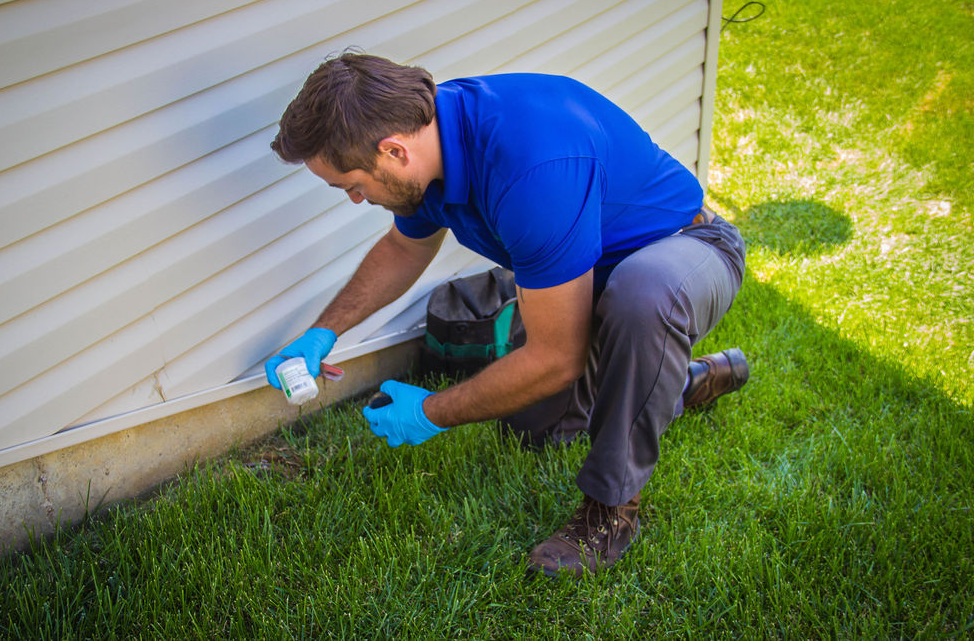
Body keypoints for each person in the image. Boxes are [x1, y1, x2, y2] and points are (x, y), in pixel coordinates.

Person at [265, 53, 748, 578]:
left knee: (641, 298)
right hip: (585, 269)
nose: (357, 199)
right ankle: (672, 383)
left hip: (683, 248)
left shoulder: (531, 168)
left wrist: (431, 413)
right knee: (534, 428)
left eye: (352, 185)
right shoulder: (426, 144)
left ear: (393, 152)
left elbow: (555, 359)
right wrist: (321, 332)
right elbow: (404, 251)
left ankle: (611, 510)